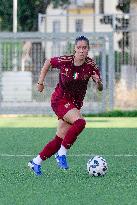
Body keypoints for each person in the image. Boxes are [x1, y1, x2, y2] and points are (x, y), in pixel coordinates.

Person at [28, 36, 103, 175]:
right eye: (79, 47)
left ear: (88, 50)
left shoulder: (91, 65)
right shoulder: (66, 61)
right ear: (75, 48)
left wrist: (98, 82)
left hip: (74, 104)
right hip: (60, 100)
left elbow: (100, 88)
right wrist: (40, 82)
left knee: (59, 139)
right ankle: (61, 153)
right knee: (80, 122)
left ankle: (35, 162)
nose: (81, 50)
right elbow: (48, 62)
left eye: (84, 48)